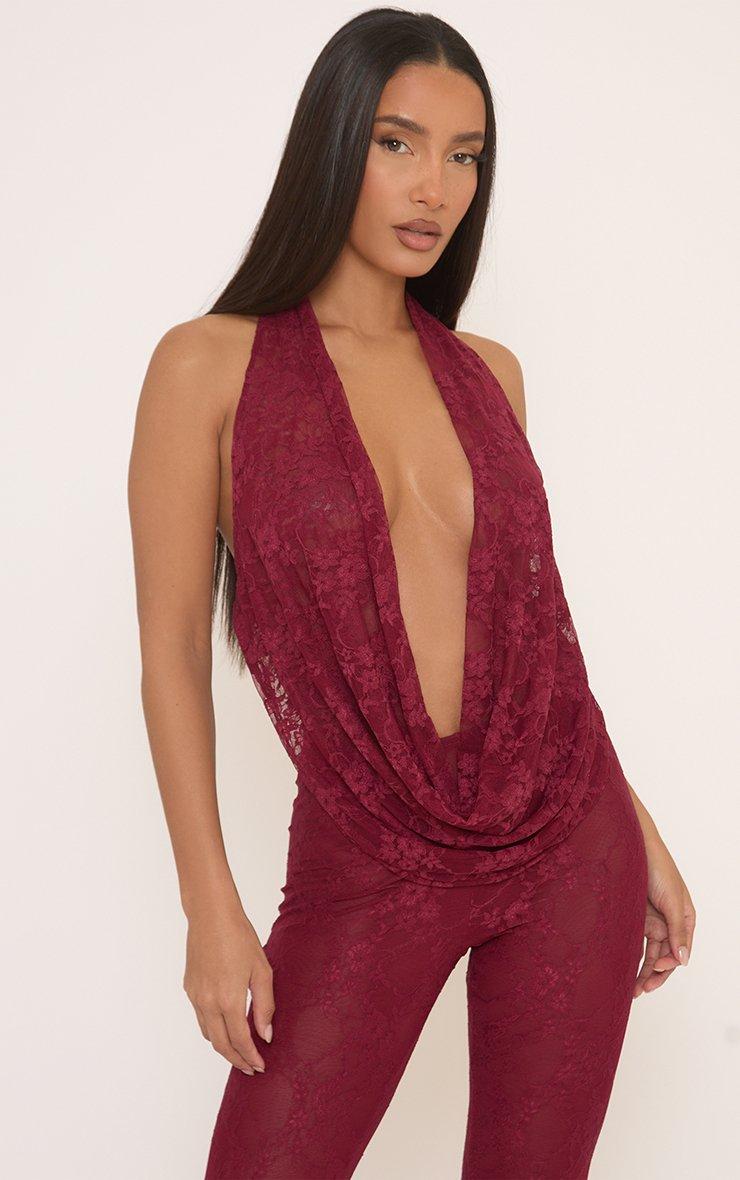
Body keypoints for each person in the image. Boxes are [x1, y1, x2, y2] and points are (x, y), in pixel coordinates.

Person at [128, 9, 696, 1178]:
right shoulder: (207, 364)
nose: (435, 187)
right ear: (333, 143)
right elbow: (171, 646)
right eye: (397, 143)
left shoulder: (490, 377)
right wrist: (208, 904)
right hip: (367, 856)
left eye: (463, 155)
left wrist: (633, 826)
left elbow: (537, 645)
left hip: (567, 841)